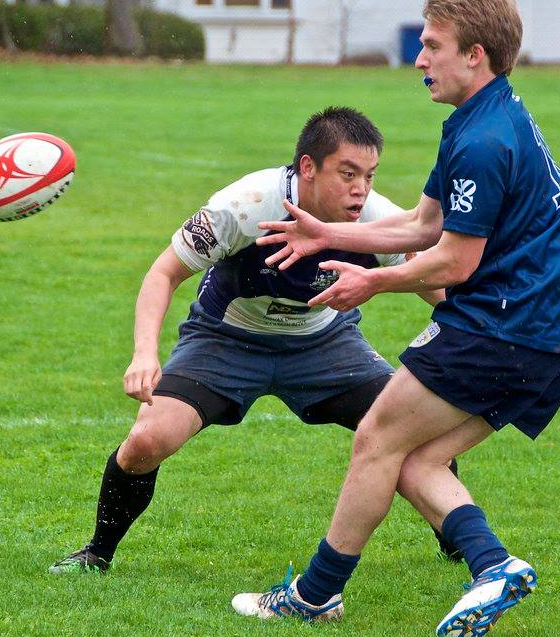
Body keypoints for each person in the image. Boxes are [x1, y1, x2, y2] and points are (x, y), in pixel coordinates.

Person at [232, 0, 560, 637]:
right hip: (546, 335)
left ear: (475, 55)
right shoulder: (483, 120)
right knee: (415, 459)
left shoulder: (484, 142)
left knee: (375, 438)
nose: (420, 59)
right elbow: (423, 222)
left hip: (502, 329)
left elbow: (453, 263)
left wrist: (371, 285)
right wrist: (330, 234)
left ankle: (314, 597)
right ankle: (493, 567)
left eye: (433, 47)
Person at [48, 106, 461, 575]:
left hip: (324, 344)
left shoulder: (377, 220)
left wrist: (483, 331)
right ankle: (96, 553)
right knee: (148, 439)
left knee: (418, 430)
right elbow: (163, 273)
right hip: (226, 339)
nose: (361, 189)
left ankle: (459, 545)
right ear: (308, 166)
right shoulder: (243, 207)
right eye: (347, 173)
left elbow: (434, 285)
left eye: (369, 175)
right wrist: (145, 353)